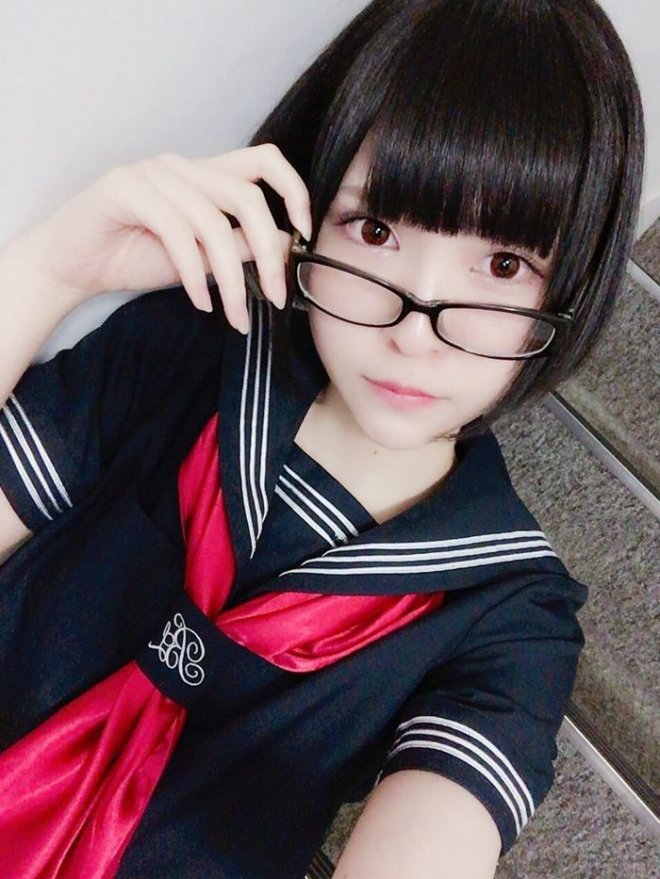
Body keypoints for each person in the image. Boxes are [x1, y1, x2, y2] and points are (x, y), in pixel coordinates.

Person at [0, 0, 644, 877]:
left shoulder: (508, 620)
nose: (414, 332)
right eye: (375, 231)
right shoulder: (191, 351)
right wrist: (50, 272)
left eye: (504, 265)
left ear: (569, 284)